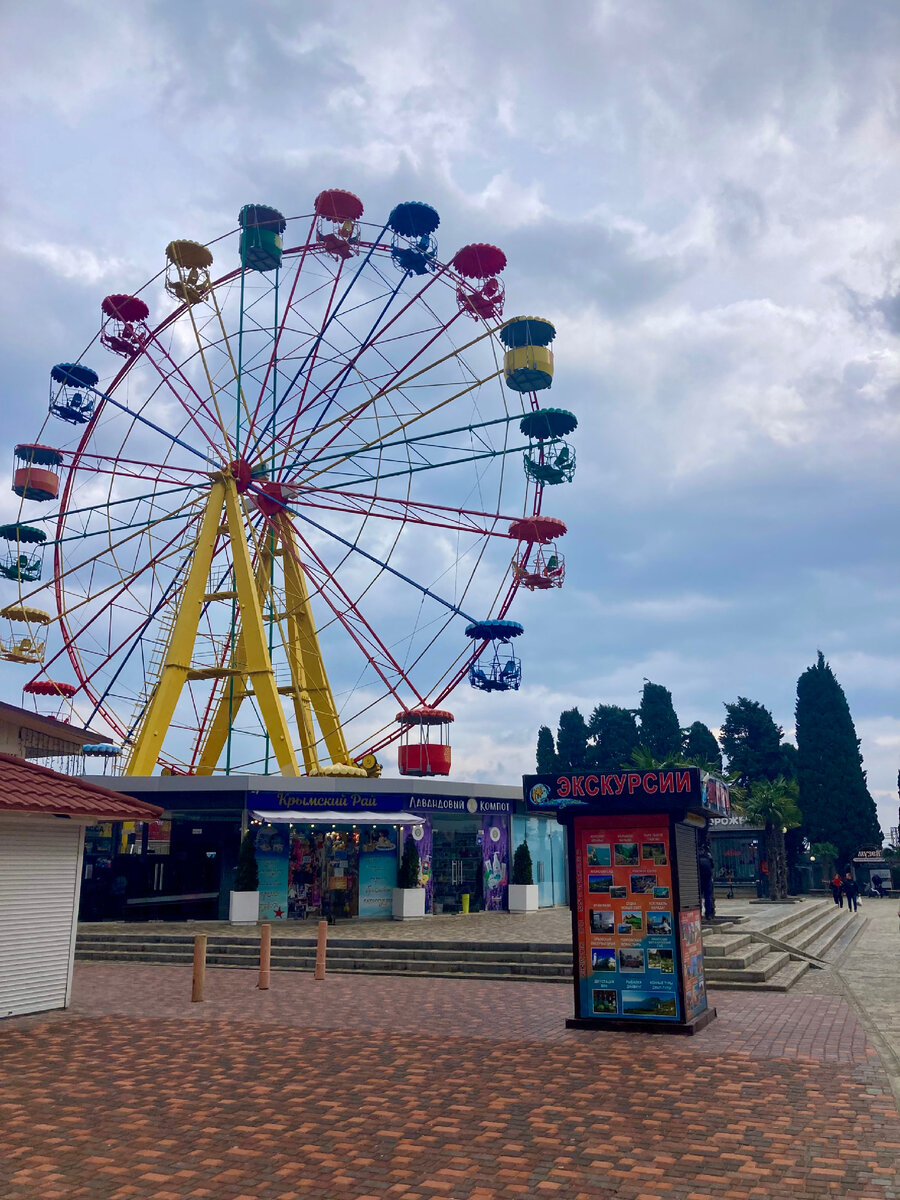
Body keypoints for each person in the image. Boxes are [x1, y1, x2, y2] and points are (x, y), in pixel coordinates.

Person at [698, 844, 715, 920]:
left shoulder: (696, 854)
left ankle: (699, 914)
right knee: (708, 896)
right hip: (708, 878)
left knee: (699, 897)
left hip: (699, 878)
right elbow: (712, 865)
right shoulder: (708, 854)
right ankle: (708, 914)